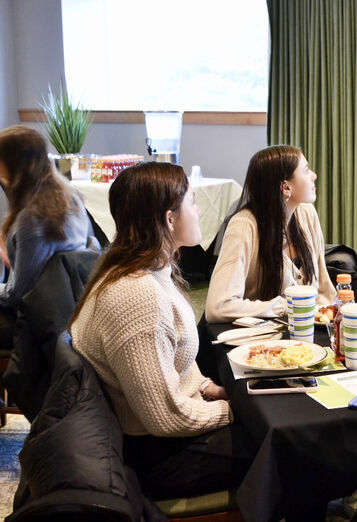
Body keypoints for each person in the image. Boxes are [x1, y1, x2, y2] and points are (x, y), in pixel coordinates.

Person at [70, 162, 253, 499]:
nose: (198, 211)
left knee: (274, 426)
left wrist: (208, 387)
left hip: (158, 436)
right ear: (170, 219)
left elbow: (173, 358)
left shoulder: (144, 267)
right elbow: (166, 418)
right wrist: (237, 410)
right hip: (153, 456)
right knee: (282, 446)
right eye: (193, 202)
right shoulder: (136, 296)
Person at [205, 145, 335, 322]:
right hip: (263, 339)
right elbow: (218, 307)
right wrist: (286, 307)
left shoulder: (306, 214)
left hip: (307, 328)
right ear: (285, 187)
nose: (314, 175)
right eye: (306, 171)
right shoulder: (244, 227)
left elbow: (323, 290)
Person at [0, 125, 97, 352]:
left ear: (13, 163)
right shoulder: (69, 195)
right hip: (71, 308)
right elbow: (92, 245)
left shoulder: (31, 219)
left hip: (38, 321)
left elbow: (17, 295)